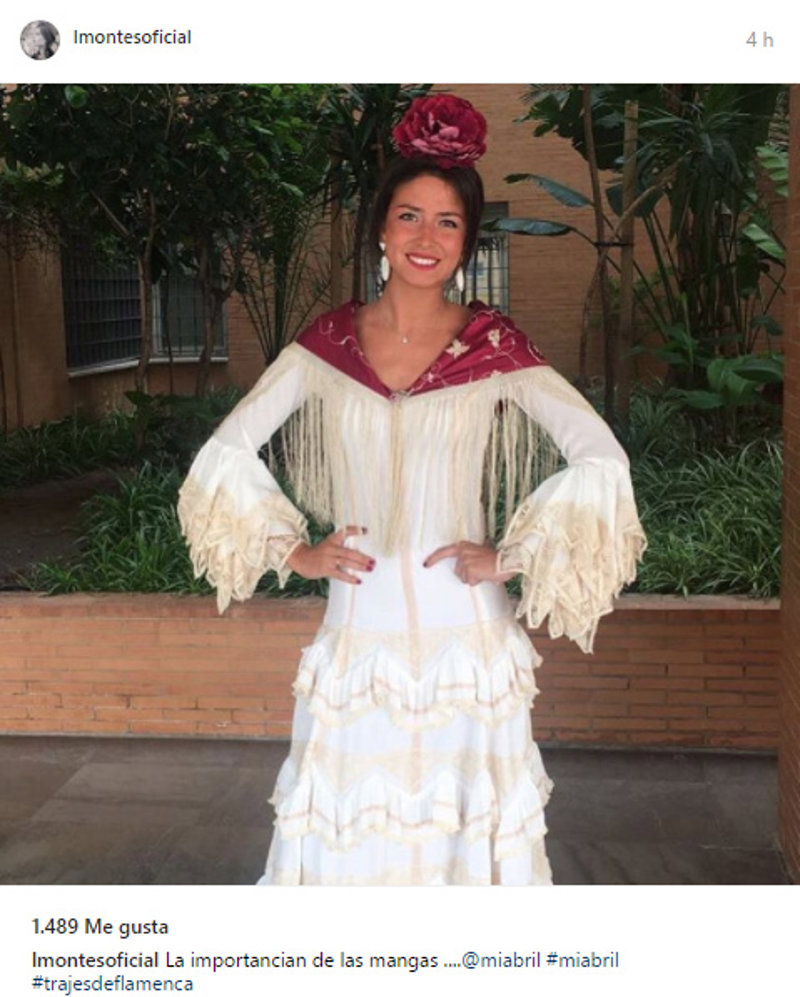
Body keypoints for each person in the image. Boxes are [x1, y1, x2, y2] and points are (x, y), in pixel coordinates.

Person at [177, 95, 647, 885]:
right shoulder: (325, 346)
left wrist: (511, 556)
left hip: (468, 639)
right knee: (349, 830)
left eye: (448, 222)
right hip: (358, 634)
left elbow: (601, 458)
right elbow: (223, 452)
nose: (426, 238)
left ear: (467, 239)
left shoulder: (493, 347)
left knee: (465, 838)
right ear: (381, 228)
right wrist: (295, 551)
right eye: (409, 216)